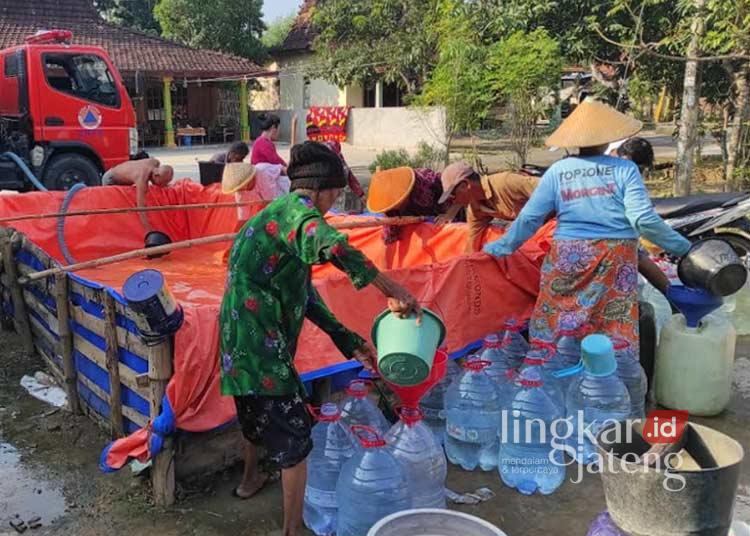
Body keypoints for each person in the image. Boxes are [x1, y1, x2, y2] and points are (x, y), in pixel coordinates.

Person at [219, 141, 421, 536]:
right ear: (323, 189)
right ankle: (292, 531)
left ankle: (249, 480)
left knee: (255, 416)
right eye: (336, 194)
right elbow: (331, 243)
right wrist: (390, 287)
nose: (334, 202)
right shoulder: (300, 213)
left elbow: (304, 297)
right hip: (262, 344)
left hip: (238, 341)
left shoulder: (275, 215)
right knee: (295, 439)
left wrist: (349, 340)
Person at [483, 100, 691, 353]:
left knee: (557, 316)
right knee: (612, 323)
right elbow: (643, 219)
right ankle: (607, 382)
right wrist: (683, 248)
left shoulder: (558, 171)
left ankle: (551, 372)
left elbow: (530, 219)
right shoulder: (626, 169)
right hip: (616, 255)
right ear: (608, 138)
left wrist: (500, 247)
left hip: (568, 254)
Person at [437, 162, 540, 253]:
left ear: (465, 185)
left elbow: (552, 189)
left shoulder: (506, 182)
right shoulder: (475, 210)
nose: (454, 201)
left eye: (453, 195)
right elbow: (472, 245)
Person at [366, 166, 449, 244]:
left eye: (396, 203)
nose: (393, 207)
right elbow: (389, 234)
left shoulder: (428, 184)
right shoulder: (389, 209)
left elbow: (450, 198)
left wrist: (445, 215)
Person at [100, 158, 174, 235]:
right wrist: (149, 230)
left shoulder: (155, 162)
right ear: (156, 175)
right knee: (115, 209)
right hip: (111, 179)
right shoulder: (141, 179)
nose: (162, 185)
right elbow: (141, 208)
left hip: (120, 173)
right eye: (163, 182)